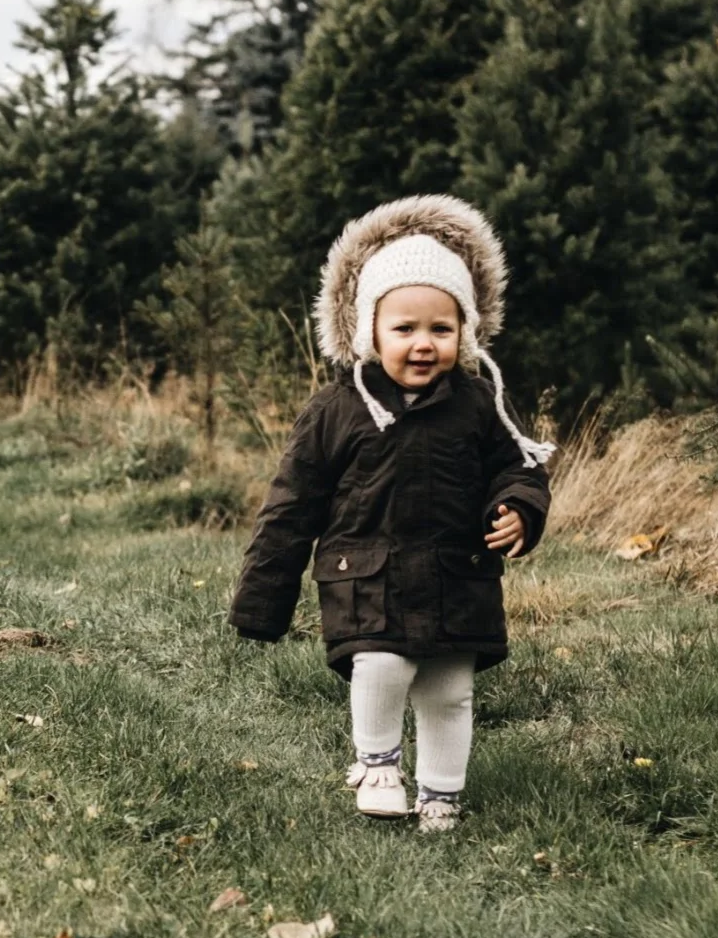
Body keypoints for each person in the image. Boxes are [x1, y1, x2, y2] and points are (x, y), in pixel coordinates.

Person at [228, 196, 555, 832]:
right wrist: (260, 603)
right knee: (379, 662)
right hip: (365, 575)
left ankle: (441, 796)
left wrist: (519, 506)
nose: (423, 344)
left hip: (457, 575)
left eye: (441, 328)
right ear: (369, 333)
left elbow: (519, 465)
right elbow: (291, 506)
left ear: (465, 332)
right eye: (404, 329)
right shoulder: (337, 408)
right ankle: (377, 763)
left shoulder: (479, 402)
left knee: (447, 691)